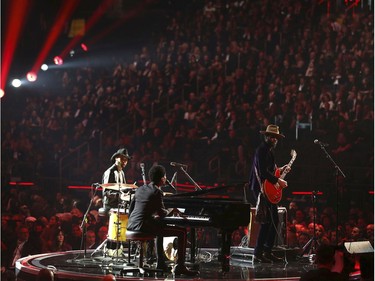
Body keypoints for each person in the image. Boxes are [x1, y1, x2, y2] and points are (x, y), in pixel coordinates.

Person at [126, 165, 199, 276]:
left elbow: (131, 210)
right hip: (143, 226)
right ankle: (180, 266)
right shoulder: (157, 192)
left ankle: (161, 263)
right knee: (182, 232)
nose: (166, 178)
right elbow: (162, 213)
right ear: (162, 178)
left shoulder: (140, 189)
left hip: (131, 224)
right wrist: (173, 210)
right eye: (165, 176)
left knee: (158, 226)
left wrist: (150, 218)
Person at [247, 124, 290, 263]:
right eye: (271, 136)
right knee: (266, 221)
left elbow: (271, 170)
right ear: (266, 136)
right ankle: (258, 253)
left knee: (274, 220)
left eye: (275, 137)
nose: (273, 139)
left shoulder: (269, 151)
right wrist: (279, 181)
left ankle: (267, 251)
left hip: (266, 187)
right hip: (260, 188)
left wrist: (281, 169)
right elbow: (263, 172)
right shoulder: (262, 150)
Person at [101, 148, 133, 214]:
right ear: (116, 158)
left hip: (119, 206)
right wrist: (118, 195)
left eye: (126, 160)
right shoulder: (110, 172)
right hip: (110, 207)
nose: (125, 161)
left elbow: (123, 189)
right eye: (122, 159)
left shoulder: (122, 173)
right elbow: (106, 192)